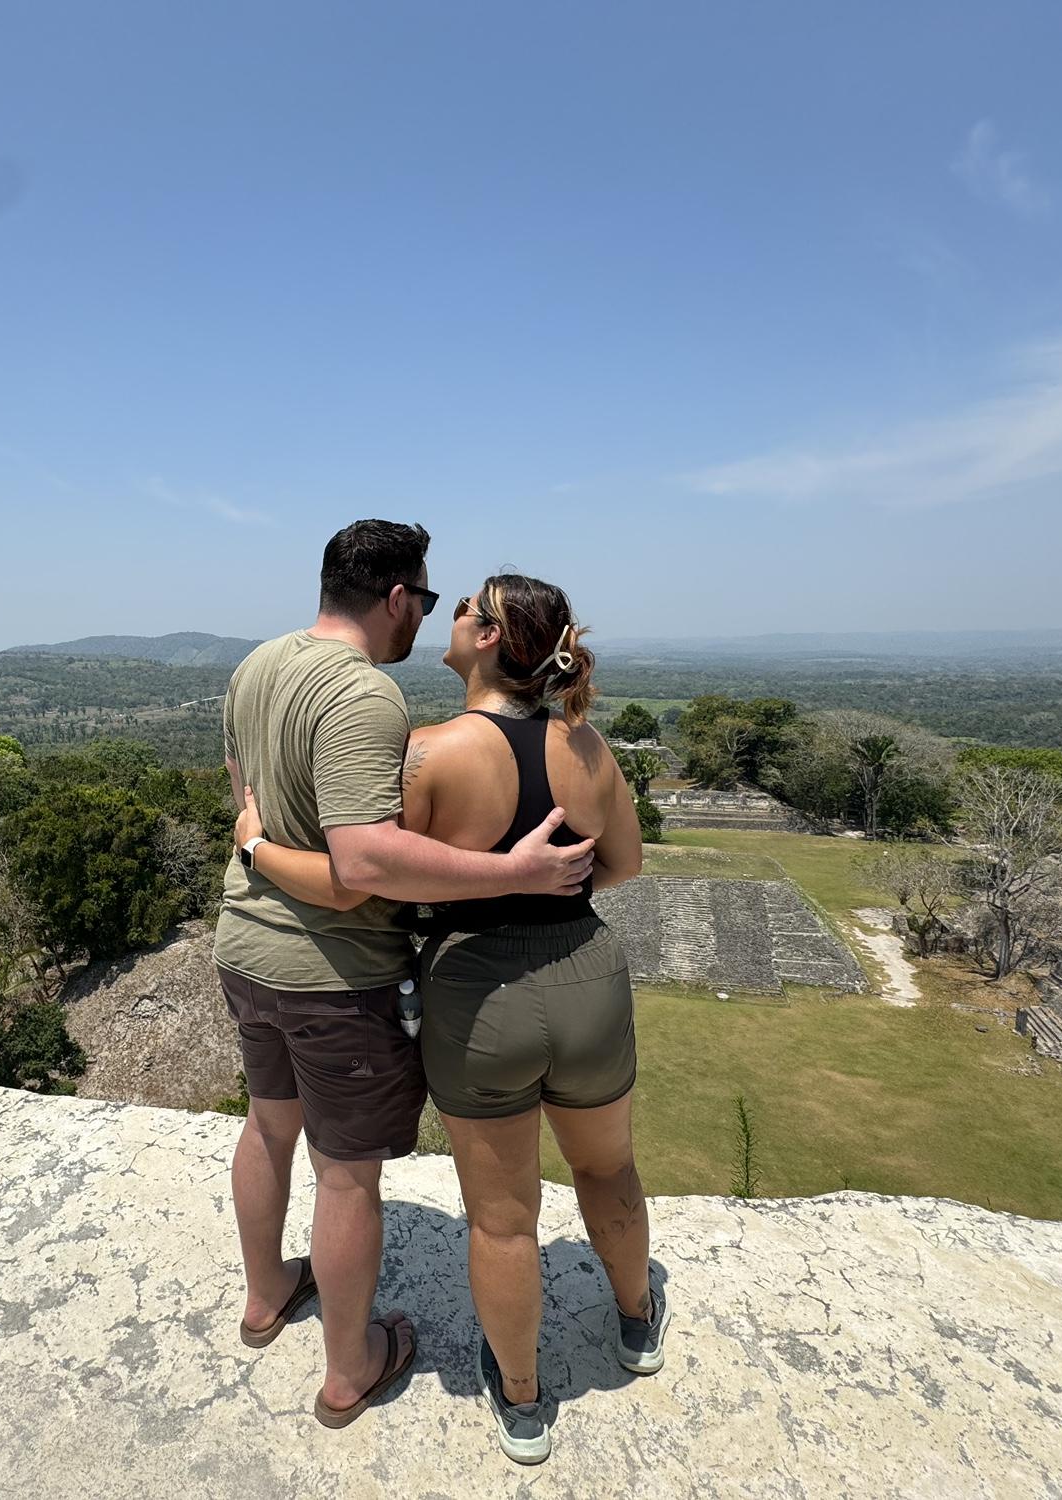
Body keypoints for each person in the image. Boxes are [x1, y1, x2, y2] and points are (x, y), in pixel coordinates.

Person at [232, 572, 661, 1465]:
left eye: (467, 607)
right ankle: (634, 1323)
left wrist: (259, 847)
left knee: (503, 1219)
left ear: (494, 639)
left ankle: (522, 1400)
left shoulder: (430, 753)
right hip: (586, 972)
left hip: (477, 988)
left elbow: (368, 880)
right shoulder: (587, 747)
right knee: (608, 1165)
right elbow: (622, 865)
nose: (451, 614)